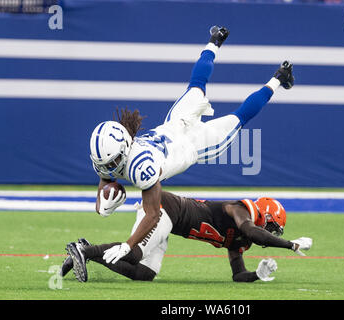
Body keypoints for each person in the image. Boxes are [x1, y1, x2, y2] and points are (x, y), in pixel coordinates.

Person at [88, 25, 295, 264]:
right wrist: (102, 205)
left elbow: (153, 214)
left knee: (239, 116)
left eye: (113, 161)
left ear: (124, 148)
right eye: (106, 162)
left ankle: (279, 78)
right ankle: (214, 41)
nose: (110, 166)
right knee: (197, 83)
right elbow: (106, 174)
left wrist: (129, 245)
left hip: (192, 144)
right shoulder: (108, 154)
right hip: (175, 123)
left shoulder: (140, 166)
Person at [63, 191, 312, 282]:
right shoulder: (242, 210)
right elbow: (252, 231)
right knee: (136, 252)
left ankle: (87, 250)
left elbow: (237, 274)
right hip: (164, 208)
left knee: (145, 273)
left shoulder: (242, 238)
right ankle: (82, 251)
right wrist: (290, 245)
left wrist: (256, 275)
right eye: (271, 228)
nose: (270, 234)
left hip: (170, 223)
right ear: (264, 216)